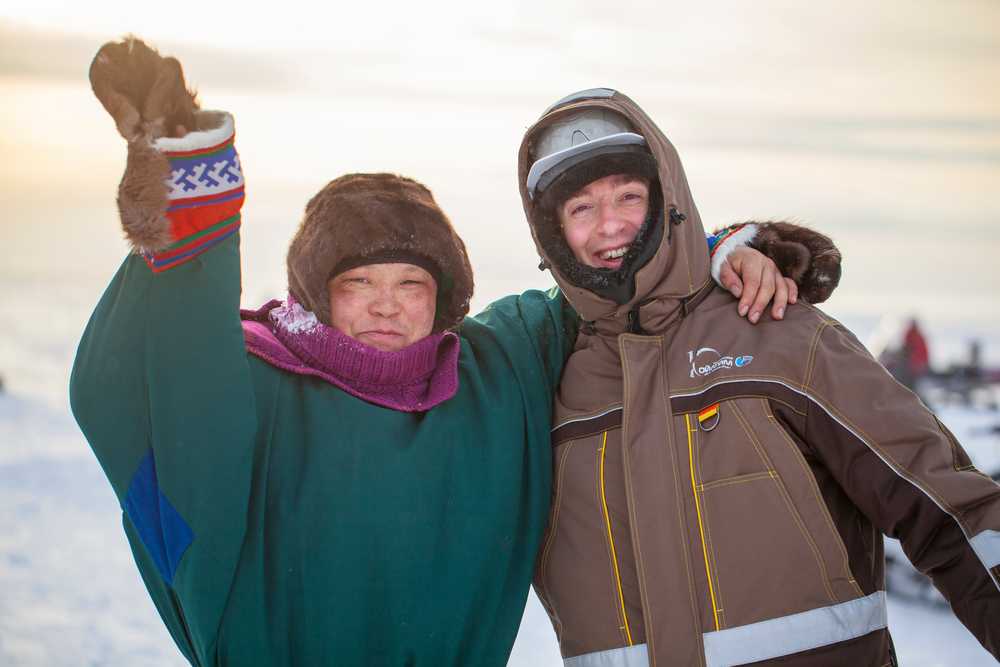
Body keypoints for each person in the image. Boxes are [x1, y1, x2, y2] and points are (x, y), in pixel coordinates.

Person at [70, 40, 834, 666]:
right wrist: (186, 179)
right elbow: (168, 367)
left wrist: (727, 249)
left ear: (445, 298)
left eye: (411, 281)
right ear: (315, 292)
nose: (385, 303)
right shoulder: (258, 380)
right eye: (357, 281)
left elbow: (618, 287)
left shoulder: (498, 369)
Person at [517, 89, 1000, 666]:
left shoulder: (779, 335)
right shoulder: (545, 381)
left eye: (629, 195)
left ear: (668, 200)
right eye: (581, 208)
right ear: (551, 234)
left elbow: (953, 511)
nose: (611, 224)